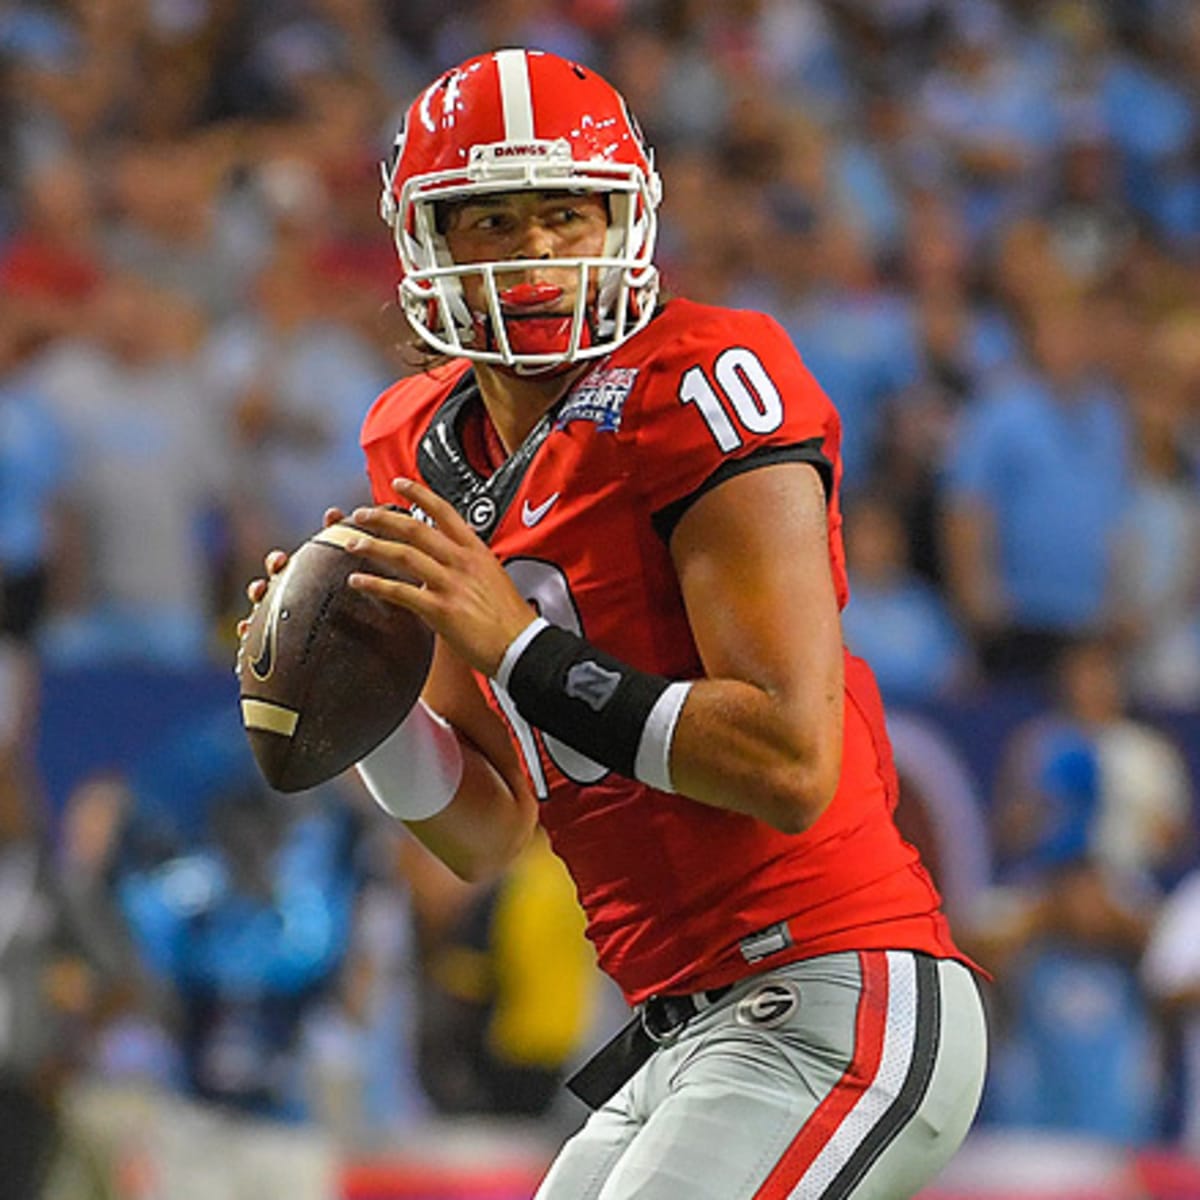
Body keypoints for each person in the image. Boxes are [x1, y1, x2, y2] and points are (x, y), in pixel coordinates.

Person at [242, 49, 988, 1199]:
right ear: (424, 243)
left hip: (834, 997)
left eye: (565, 213)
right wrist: (367, 701)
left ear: (627, 218)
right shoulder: (417, 441)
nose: (537, 253)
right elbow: (486, 832)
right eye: (491, 219)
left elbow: (789, 760)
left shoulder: (704, 379)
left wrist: (520, 650)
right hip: (678, 1029)